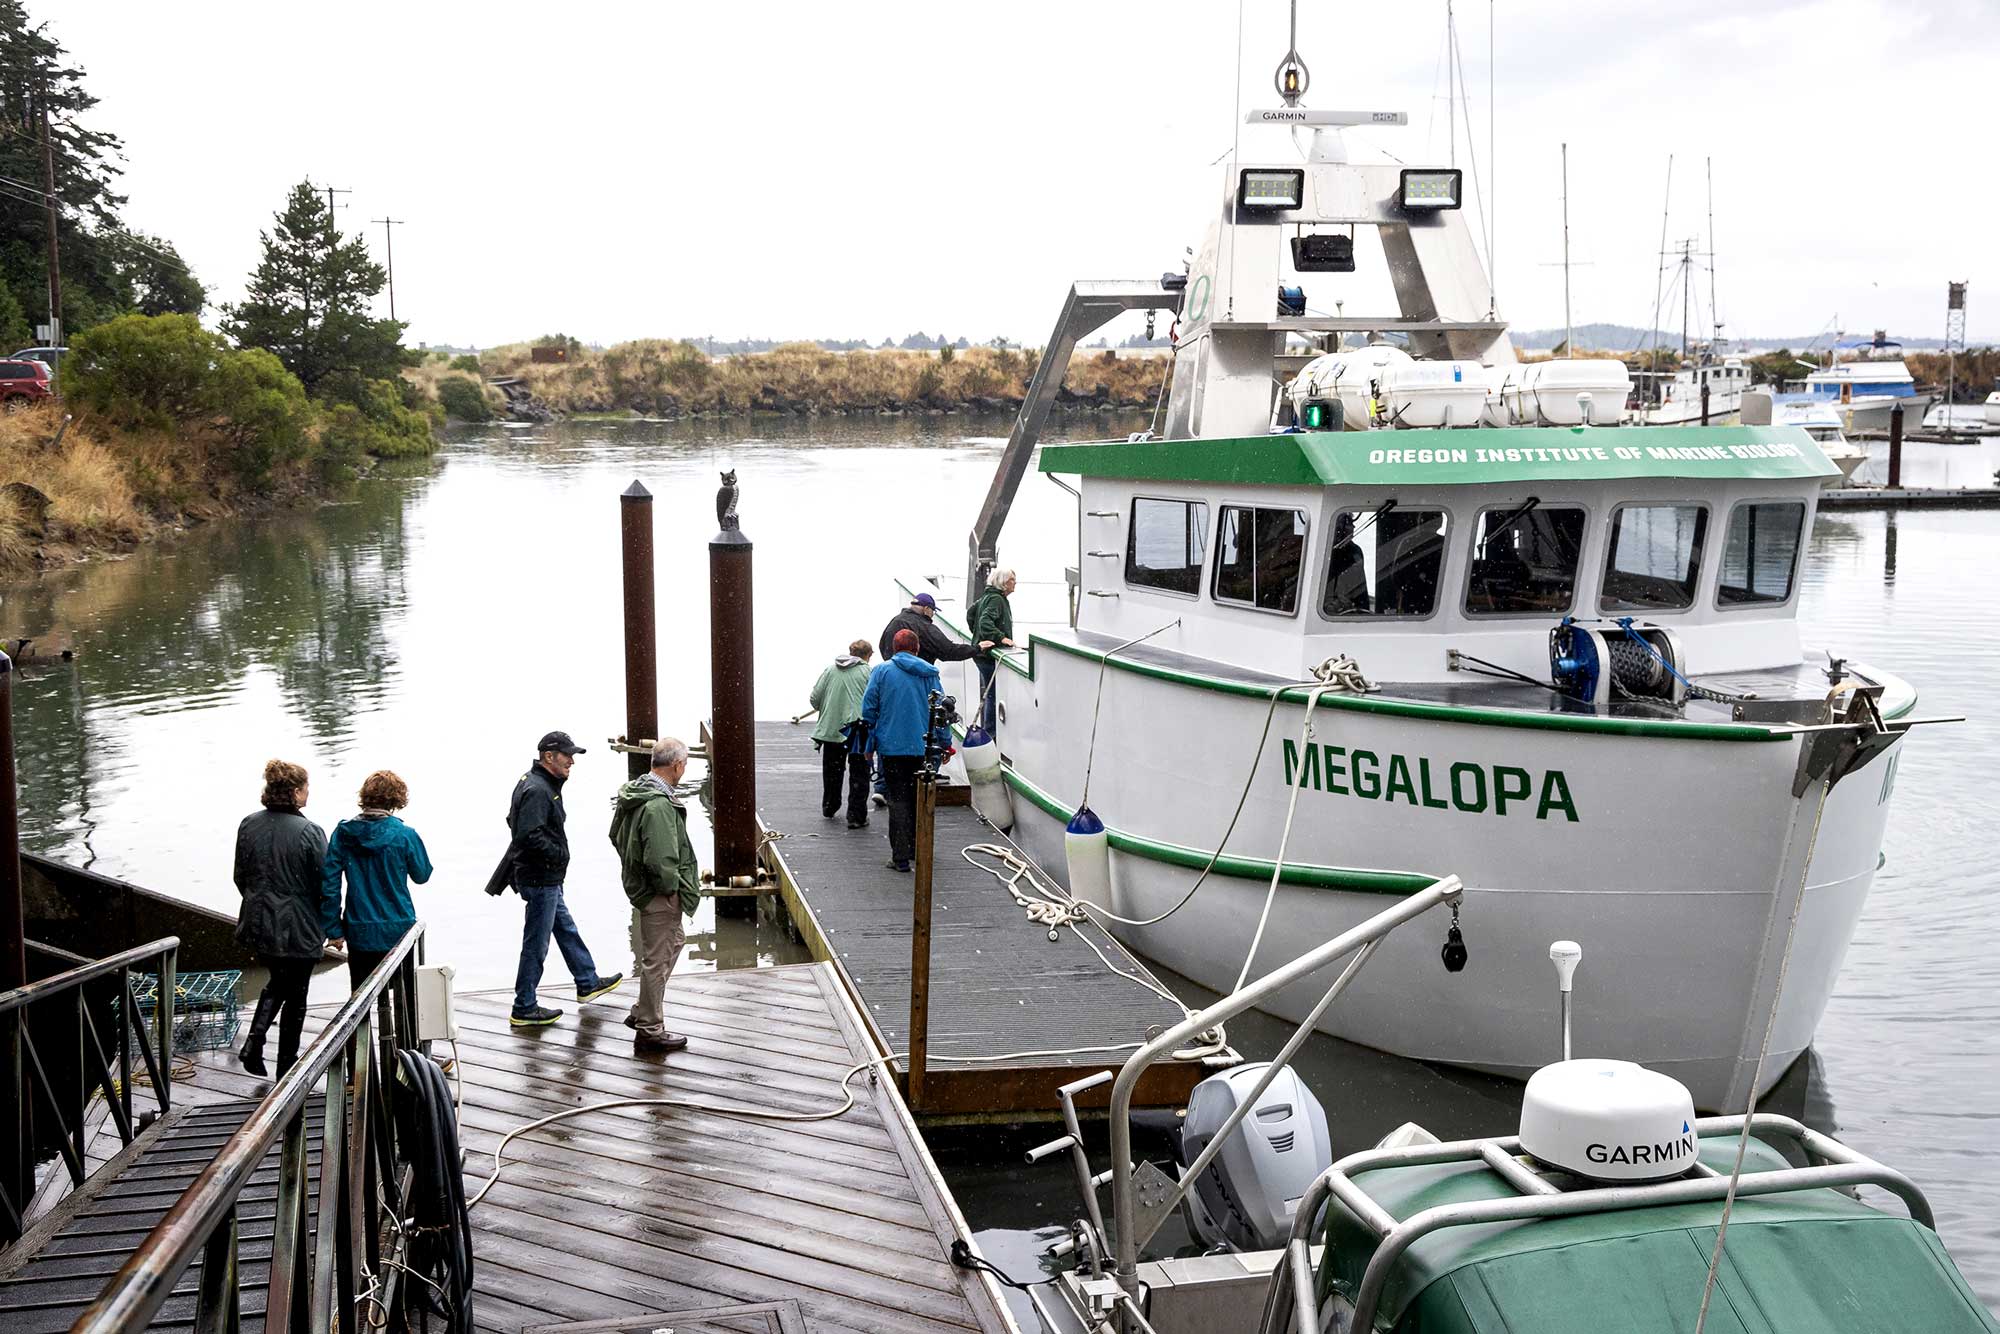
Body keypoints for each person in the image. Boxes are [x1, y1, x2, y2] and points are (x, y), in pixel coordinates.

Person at [508, 730, 622, 1028]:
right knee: (536, 943)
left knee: (565, 928)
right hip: (541, 877)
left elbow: (513, 821)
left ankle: (587, 981)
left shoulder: (536, 783)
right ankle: (524, 1006)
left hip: (544, 876)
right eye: (567, 756)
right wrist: (558, 854)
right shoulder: (538, 789)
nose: (572, 761)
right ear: (549, 757)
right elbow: (527, 834)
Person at [233, 759, 326, 1080]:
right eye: (306, 788)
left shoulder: (248, 824)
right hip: (296, 926)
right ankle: (286, 1067)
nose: (308, 793)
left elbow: (240, 877)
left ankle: (256, 1044)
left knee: (280, 981)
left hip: (258, 923)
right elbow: (323, 885)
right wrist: (330, 922)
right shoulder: (310, 832)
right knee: (296, 993)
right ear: (297, 792)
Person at [609, 738, 701, 1054]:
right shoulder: (659, 804)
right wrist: (670, 889)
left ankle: (641, 1012)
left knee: (674, 943)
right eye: (685, 764)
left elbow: (615, 836)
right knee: (656, 959)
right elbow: (661, 859)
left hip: (643, 888)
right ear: (676, 765)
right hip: (659, 894)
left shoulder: (636, 792)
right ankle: (649, 1029)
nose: (684, 769)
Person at [321, 770, 433, 989]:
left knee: (361, 995)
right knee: (405, 993)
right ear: (396, 800)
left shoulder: (343, 834)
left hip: (359, 929)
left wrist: (334, 930)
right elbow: (422, 875)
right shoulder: (405, 834)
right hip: (398, 927)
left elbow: (330, 884)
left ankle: (364, 1024)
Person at [861, 628, 948, 873]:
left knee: (897, 800)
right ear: (917, 648)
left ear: (894, 648)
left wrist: (870, 746)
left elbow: (869, 710)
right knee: (918, 799)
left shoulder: (881, 671)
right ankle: (915, 849)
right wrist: (944, 742)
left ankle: (899, 858)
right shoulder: (930, 675)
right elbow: (941, 712)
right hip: (922, 746)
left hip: (891, 748)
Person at [809, 639, 874, 827]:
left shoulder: (830, 670)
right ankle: (855, 816)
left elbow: (814, 699)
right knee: (859, 773)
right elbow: (875, 700)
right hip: (858, 729)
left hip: (832, 729)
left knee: (832, 771)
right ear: (868, 656)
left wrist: (831, 709)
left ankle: (829, 806)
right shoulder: (868, 672)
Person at [877, 592, 987, 666]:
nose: (933, 615)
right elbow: (948, 651)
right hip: (917, 679)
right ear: (926, 609)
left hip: (894, 678)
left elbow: (883, 647)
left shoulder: (895, 621)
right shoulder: (924, 626)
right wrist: (976, 648)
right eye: (933, 611)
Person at [969, 568, 1017, 734]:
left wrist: (976, 636)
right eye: (1012, 580)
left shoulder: (987, 596)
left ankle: (988, 731)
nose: (1015, 583)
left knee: (989, 692)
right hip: (987, 656)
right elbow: (985, 622)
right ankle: (990, 733)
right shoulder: (997, 599)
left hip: (980, 655)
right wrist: (1001, 638)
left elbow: (971, 613)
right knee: (992, 694)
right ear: (1003, 583)